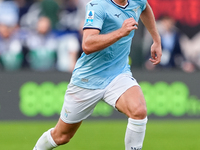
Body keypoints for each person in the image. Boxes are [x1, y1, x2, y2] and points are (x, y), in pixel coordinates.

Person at [33, 0, 162, 150]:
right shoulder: (97, 6)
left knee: (139, 111)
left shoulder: (136, 1)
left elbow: (145, 8)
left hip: (118, 74)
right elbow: (87, 44)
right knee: (61, 136)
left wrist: (156, 39)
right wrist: (121, 31)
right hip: (87, 79)